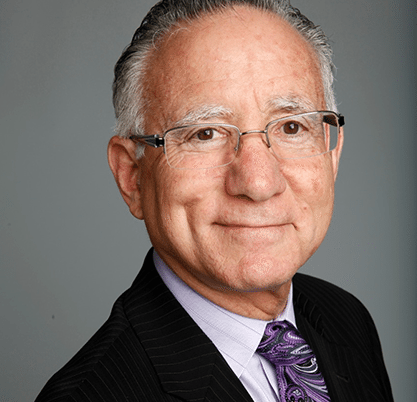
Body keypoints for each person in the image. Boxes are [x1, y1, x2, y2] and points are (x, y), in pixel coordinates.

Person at [36, 0, 394, 401]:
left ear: (333, 155)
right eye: (205, 133)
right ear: (132, 176)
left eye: (292, 127)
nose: (258, 182)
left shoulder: (346, 319)